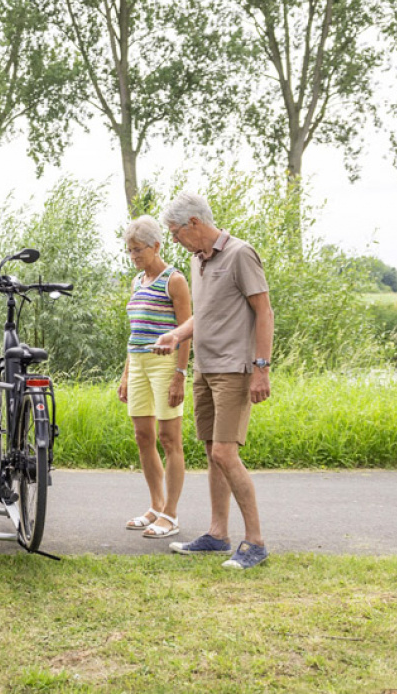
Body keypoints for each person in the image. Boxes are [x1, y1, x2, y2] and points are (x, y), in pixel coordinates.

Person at [153, 191, 274, 570]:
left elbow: (264, 311)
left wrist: (261, 368)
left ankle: (255, 542)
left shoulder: (240, 253)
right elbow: (204, 316)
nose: (174, 240)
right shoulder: (196, 261)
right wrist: (178, 335)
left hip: (234, 370)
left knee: (225, 453)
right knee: (211, 453)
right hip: (205, 369)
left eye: (175, 232)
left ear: (194, 224)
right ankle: (217, 534)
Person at [117, 216, 191, 539]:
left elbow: (187, 332)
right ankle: (156, 505)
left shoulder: (174, 280)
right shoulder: (137, 282)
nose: (134, 256)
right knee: (143, 437)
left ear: (157, 246)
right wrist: (125, 375)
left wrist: (180, 375)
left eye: (138, 250)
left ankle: (171, 515)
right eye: (129, 251)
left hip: (165, 365)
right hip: (138, 364)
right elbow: (135, 333)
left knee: (169, 439)